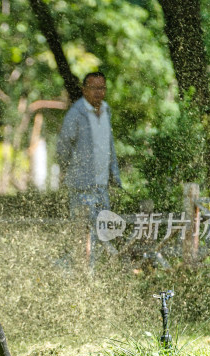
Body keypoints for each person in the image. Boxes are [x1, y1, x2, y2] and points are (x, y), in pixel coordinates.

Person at [57, 72, 122, 264]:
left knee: (104, 233)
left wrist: (114, 174)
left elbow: (109, 145)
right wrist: (71, 171)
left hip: (102, 185)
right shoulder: (76, 114)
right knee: (82, 234)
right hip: (81, 186)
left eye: (102, 88)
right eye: (93, 88)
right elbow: (63, 147)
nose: (98, 92)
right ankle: (78, 273)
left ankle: (98, 275)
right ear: (84, 89)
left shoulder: (106, 110)